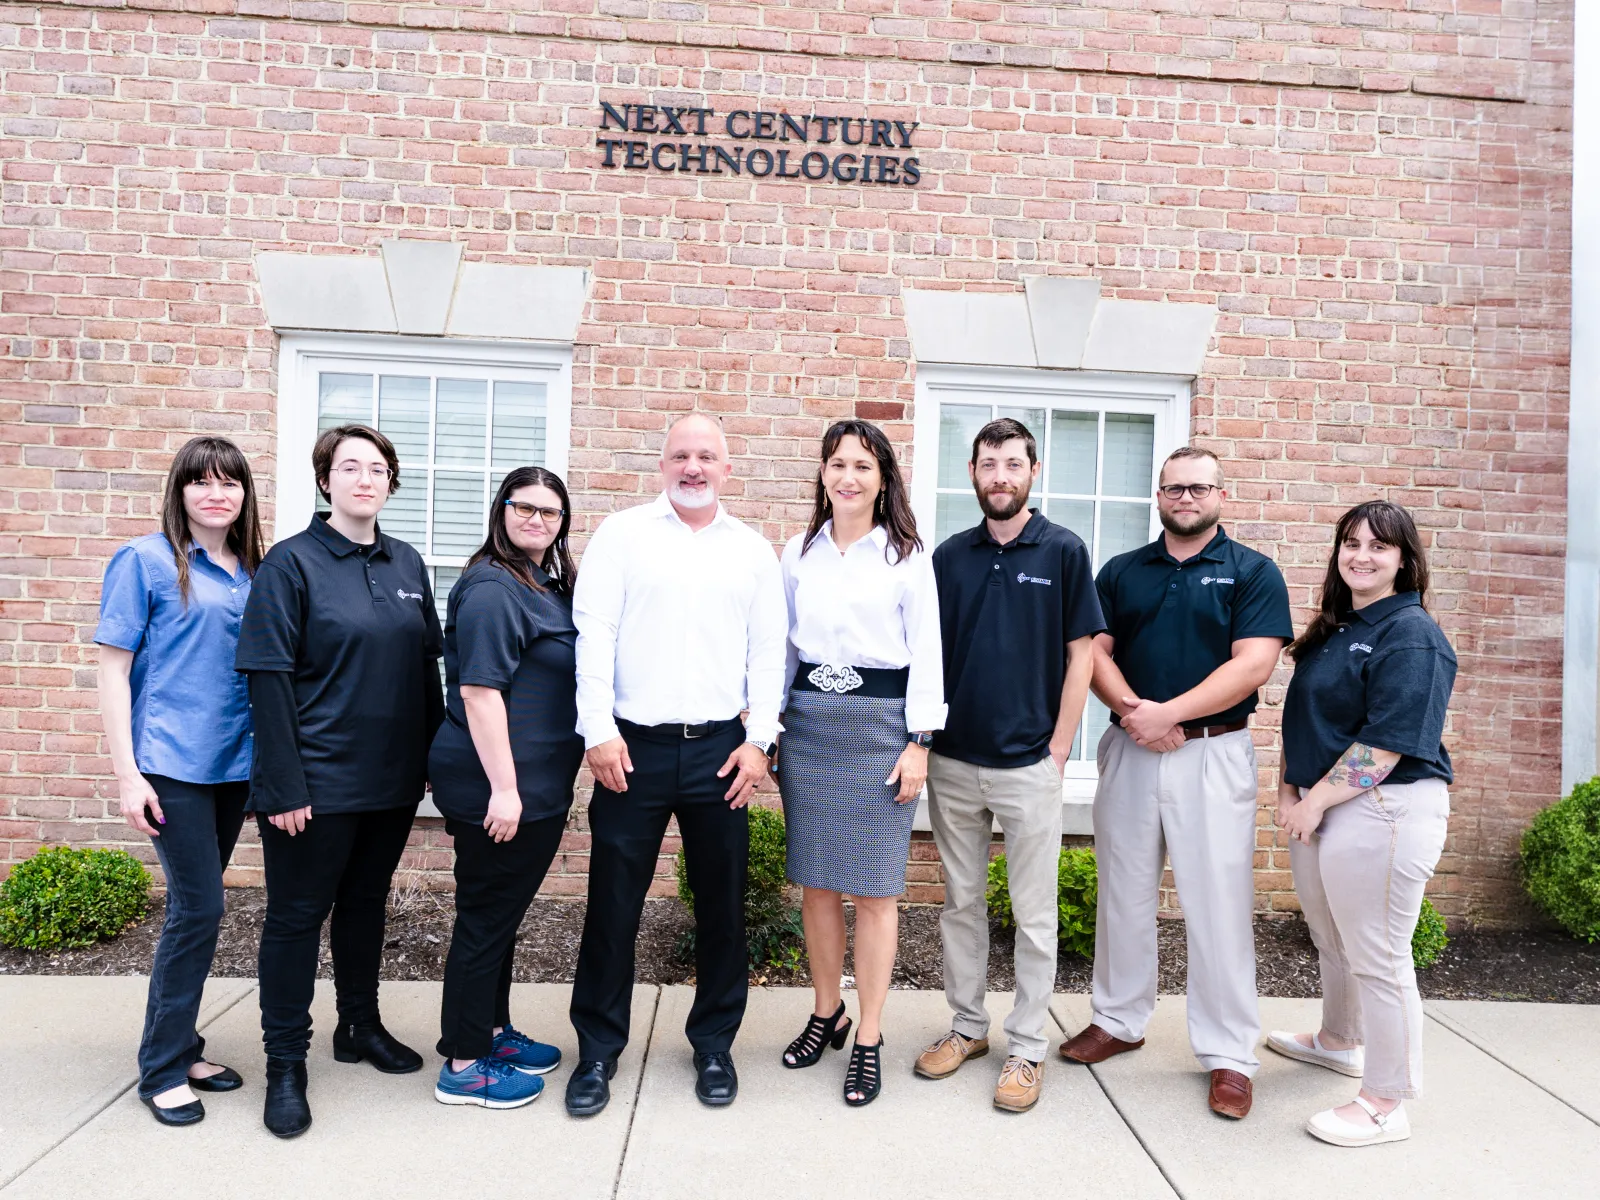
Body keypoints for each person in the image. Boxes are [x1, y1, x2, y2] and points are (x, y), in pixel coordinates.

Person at [1061, 446, 1292, 1121]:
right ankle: (1118, 1020)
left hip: (1212, 753)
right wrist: (1138, 714)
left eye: (1198, 488)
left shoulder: (1252, 572)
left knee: (1218, 901)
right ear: (1157, 495)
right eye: (1173, 488)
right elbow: (1090, 653)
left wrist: (1170, 715)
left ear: (1221, 493)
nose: (1185, 498)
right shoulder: (1123, 571)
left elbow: (1253, 666)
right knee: (1123, 891)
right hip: (1133, 749)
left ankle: (1228, 1055)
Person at [566, 413, 787, 1117]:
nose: (693, 467)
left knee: (722, 908)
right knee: (612, 907)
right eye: (681, 455)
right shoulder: (622, 536)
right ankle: (598, 1049)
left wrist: (762, 742)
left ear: (728, 468)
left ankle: (714, 1044)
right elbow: (592, 634)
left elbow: (769, 653)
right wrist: (596, 731)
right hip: (631, 749)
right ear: (662, 464)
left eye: (707, 456)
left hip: (722, 749)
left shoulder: (752, 551)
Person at [235, 423, 444, 1139]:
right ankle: (285, 1064)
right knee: (294, 921)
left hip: (389, 786)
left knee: (364, 908)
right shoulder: (290, 566)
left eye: (377, 468)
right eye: (349, 467)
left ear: (391, 483)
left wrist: (431, 766)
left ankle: (359, 1025)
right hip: (312, 787)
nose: (364, 478)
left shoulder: (407, 564)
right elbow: (267, 679)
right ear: (325, 481)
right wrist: (283, 785)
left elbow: (426, 675)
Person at [915, 418, 1103, 1114]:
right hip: (955, 763)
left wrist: (1059, 747)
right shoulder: (949, 557)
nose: (1001, 475)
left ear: (1034, 470)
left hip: (1029, 764)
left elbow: (1082, 654)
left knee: (1033, 914)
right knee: (961, 905)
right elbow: (926, 654)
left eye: (1013, 463)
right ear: (972, 471)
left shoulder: (1063, 552)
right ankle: (967, 1027)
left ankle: (1026, 1047)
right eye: (989, 463)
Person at [1267, 501, 1456, 1147]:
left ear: (1405, 558)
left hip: (1386, 809)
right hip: (1325, 804)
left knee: (1378, 954)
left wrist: (1313, 801)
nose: (1361, 555)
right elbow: (1309, 719)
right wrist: (1289, 788)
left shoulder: (1411, 633)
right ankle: (1339, 1039)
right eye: (1351, 542)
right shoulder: (1340, 626)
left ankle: (1386, 1102)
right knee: (1334, 938)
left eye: (1378, 546)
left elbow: (1389, 741)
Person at [774, 419, 944, 1108]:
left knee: (875, 893)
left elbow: (928, 653)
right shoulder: (796, 553)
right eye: (838, 464)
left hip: (879, 731)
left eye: (863, 467)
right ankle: (827, 1012)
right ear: (822, 473)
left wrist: (919, 744)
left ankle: (868, 1032)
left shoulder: (907, 556)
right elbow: (780, 649)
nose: (849, 477)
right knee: (817, 886)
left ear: (883, 479)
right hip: (810, 729)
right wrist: (771, 728)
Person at [96, 436, 264, 1127]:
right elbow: (111, 669)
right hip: (171, 766)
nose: (216, 494)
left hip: (236, 766)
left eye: (229, 483)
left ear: (245, 495)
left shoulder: (254, 569)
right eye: (201, 482)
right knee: (198, 911)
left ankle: (185, 1045)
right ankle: (162, 1068)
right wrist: (128, 774)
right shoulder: (145, 561)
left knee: (199, 910)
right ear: (181, 490)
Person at [429, 467, 585, 1111]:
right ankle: (464, 1066)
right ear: (501, 511)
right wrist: (504, 789)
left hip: (535, 784)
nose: (536, 520)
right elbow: (479, 691)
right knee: (486, 919)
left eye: (550, 513)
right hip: (500, 786)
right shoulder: (494, 587)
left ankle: (490, 1033)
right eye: (524, 508)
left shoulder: (542, 583)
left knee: (499, 918)